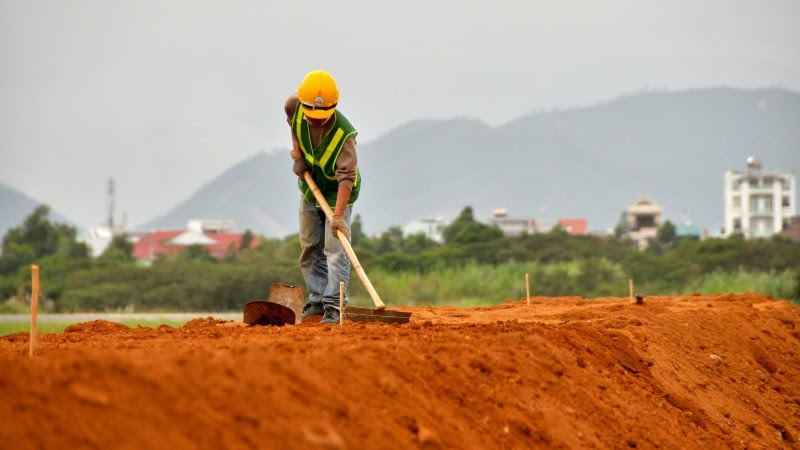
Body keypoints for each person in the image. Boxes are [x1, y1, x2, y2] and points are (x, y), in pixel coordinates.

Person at [284, 69, 361, 325]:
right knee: (309, 246)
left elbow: (346, 178)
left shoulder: (344, 135)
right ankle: (316, 302)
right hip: (311, 188)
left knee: (335, 249)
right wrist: (299, 155)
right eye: (312, 115)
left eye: (322, 116)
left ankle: (334, 306)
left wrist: (338, 216)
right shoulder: (294, 106)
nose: (316, 120)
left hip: (337, 193)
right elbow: (292, 123)